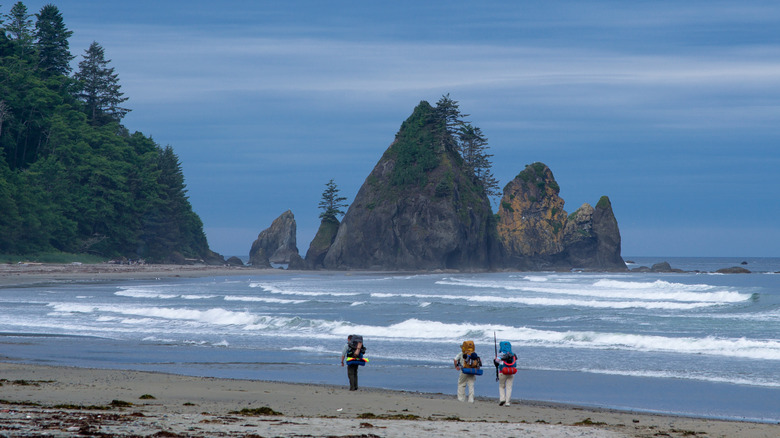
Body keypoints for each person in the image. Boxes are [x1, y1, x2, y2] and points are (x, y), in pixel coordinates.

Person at [493, 340, 518, 406]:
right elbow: (515, 363)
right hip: (511, 372)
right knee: (509, 387)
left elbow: (496, 361)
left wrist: (496, 359)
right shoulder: (513, 354)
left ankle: (502, 399)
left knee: (501, 386)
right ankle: (508, 402)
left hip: (502, 372)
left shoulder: (501, 354)